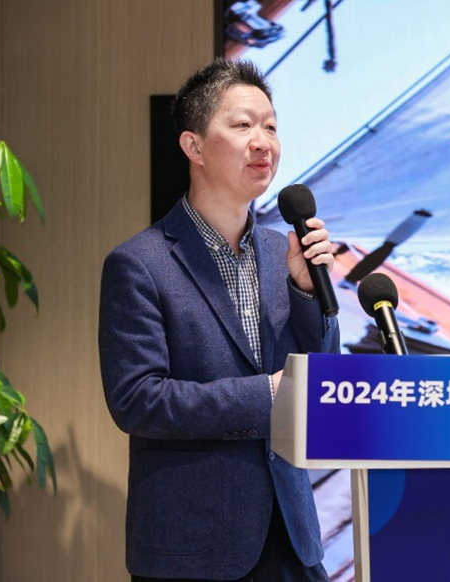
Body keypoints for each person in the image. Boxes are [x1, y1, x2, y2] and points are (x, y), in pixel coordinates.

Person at [98, 58, 339, 581]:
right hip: (194, 546)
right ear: (194, 146)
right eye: (243, 125)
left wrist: (306, 292)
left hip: (293, 539)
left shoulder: (284, 253)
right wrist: (266, 394)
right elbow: (138, 400)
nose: (263, 142)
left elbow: (322, 383)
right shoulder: (139, 264)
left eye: (271, 126)